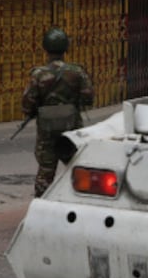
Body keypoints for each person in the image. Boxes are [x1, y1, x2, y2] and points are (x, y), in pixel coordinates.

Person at [22, 28, 95, 197]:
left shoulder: (39, 75)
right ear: (66, 48)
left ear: (46, 49)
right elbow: (88, 98)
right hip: (72, 127)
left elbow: (27, 104)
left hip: (47, 129)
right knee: (76, 163)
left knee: (46, 170)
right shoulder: (77, 72)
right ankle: (80, 197)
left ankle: (42, 203)